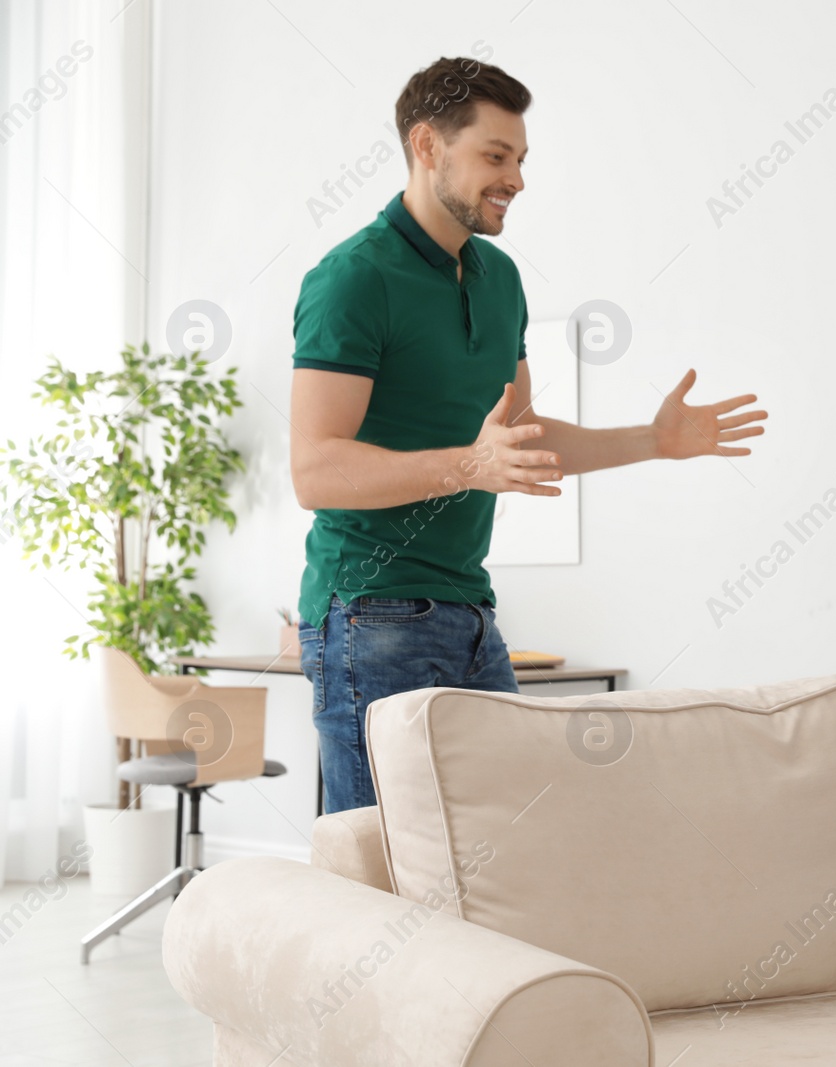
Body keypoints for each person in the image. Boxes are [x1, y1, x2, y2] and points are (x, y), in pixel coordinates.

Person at [288, 56, 767, 814]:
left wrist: (654, 439)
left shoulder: (499, 277)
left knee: (511, 848)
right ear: (427, 147)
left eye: (520, 159)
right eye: (495, 156)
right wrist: (467, 465)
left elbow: (519, 433)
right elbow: (315, 469)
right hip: (371, 610)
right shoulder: (354, 278)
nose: (515, 178)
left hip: (469, 610)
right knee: (377, 871)